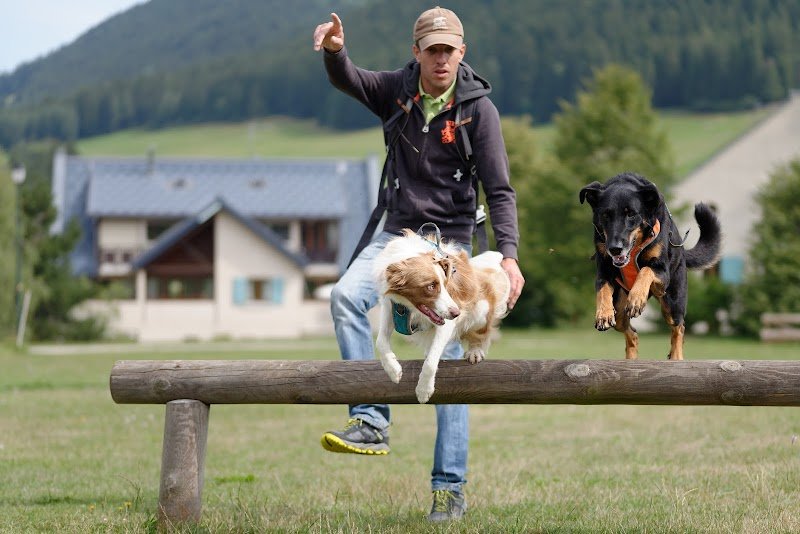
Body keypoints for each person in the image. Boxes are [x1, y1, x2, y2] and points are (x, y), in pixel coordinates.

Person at [312, 6, 525, 522]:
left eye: (449, 50)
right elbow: (352, 80)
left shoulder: (480, 111)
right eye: (432, 50)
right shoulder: (397, 90)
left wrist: (511, 256)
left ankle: (449, 491)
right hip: (396, 234)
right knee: (344, 297)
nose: (441, 59)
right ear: (417, 52)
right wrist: (336, 52)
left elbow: (499, 191)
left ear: (461, 53)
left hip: (450, 241)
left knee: (447, 363)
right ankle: (370, 418)